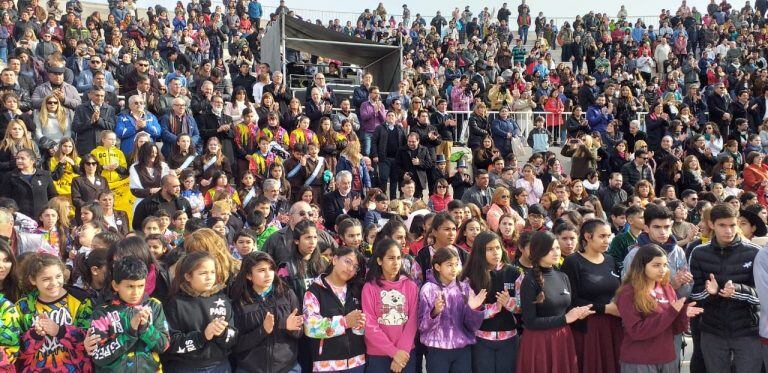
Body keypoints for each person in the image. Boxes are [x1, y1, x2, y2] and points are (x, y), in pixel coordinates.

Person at [689, 204, 762, 373]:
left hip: (748, 331)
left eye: (732, 225)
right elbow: (694, 294)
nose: (728, 231)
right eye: (722, 225)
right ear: (711, 224)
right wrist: (710, 291)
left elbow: (762, 295)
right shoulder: (698, 253)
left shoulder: (754, 252)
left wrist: (737, 290)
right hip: (712, 331)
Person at [615, 244, 703, 372]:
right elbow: (637, 331)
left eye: (665, 265)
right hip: (640, 360)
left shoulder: (667, 288)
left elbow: (674, 329)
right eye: (656, 265)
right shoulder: (628, 292)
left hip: (667, 358)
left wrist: (683, 314)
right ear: (641, 266)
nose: (663, 270)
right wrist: (672, 312)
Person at [516, 231, 593, 373]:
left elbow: (566, 311)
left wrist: (577, 315)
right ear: (539, 251)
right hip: (539, 342)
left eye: (557, 248)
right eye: (551, 249)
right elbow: (530, 321)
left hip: (563, 338)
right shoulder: (529, 280)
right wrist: (565, 318)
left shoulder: (563, 276)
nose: (556, 252)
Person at [13, 253, 92, 372]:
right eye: (46, 279)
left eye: (58, 276)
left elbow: (88, 342)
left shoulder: (81, 301)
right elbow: (17, 351)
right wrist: (35, 335)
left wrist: (59, 331)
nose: (54, 283)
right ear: (33, 280)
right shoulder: (23, 307)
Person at [561, 219, 622, 373]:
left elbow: (619, 289)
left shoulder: (610, 260)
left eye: (609, 236)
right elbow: (571, 300)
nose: (607, 241)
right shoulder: (572, 262)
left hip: (613, 325)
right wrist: (605, 309)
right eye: (602, 236)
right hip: (588, 328)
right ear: (588, 237)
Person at [90, 256, 170, 371]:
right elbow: (98, 356)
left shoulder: (154, 306)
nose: (136, 292)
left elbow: (164, 346)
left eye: (140, 286)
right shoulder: (102, 313)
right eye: (130, 286)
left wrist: (145, 328)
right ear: (116, 285)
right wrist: (130, 332)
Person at [229, 251, 304, 373]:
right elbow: (236, 345)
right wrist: (262, 331)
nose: (268, 274)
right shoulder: (239, 303)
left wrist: (291, 329)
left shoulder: (287, 294)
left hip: (287, 367)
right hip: (250, 368)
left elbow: (300, 333)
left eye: (270, 269)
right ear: (248, 275)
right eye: (261, 270)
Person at [163, 251, 237, 372]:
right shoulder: (176, 303)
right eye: (203, 273)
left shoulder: (222, 299)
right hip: (186, 366)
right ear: (188, 276)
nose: (209, 277)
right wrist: (202, 336)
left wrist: (223, 333)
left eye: (212, 272)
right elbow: (170, 342)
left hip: (220, 365)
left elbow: (234, 337)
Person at [459, 232, 520, 373]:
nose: (496, 253)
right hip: (480, 340)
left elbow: (523, 308)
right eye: (490, 249)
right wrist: (492, 308)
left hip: (509, 339)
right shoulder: (469, 277)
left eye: (498, 248)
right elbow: (464, 312)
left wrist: (510, 304)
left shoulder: (514, 273)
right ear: (480, 251)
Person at [419, 246, 485, 373]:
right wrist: (434, 312)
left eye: (456, 264)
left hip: (462, 348)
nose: (454, 269)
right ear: (437, 267)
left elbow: (472, 326)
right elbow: (422, 326)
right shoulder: (428, 289)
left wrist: (474, 308)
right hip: (437, 348)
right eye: (449, 265)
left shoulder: (465, 288)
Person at [303, 246, 366, 372]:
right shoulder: (314, 291)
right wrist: (345, 322)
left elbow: (361, 327)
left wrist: (361, 324)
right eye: (347, 261)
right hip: (327, 364)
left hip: (357, 362)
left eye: (355, 267)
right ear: (335, 259)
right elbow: (310, 327)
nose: (350, 269)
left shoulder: (357, 290)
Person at [362, 238, 419, 373]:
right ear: (380, 261)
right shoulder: (369, 288)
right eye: (391, 258)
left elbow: (412, 322)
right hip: (378, 354)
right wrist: (394, 352)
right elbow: (369, 325)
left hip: (406, 353)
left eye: (399, 258)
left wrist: (402, 352)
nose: (396, 263)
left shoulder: (410, 286)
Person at [4, 148, 57, 219]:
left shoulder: (45, 175)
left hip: (41, 219)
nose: (19, 161)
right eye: (17, 158)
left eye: (22, 158)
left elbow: (53, 196)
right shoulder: (10, 176)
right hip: (20, 218)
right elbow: (5, 198)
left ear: (32, 161)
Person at [72, 87, 116, 154]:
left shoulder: (110, 109)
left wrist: (99, 120)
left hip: (103, 148)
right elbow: (75, 127)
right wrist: (90, 122)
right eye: (97, 95)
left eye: (102, 96)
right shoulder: (80, 108)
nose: (100, 98)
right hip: (85, 148)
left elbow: (112, 127)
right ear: (90, 95)